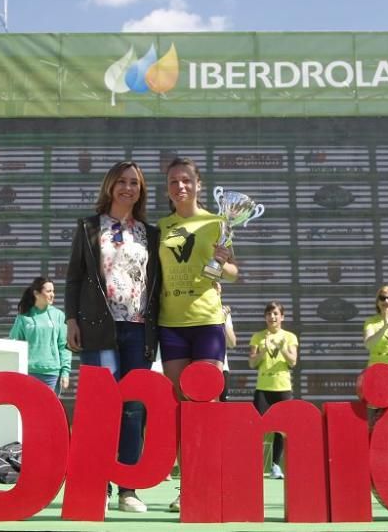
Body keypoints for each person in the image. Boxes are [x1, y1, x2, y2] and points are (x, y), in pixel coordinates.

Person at [64, 160, 160, 513]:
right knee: (102, 406)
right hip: (98, 328)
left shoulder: (151, 233)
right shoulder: (89, 227)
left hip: (139, 329)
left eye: (134, 183)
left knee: (134, 408)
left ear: (141, 190)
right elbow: (74, 277)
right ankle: (97, 484)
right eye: (121, 181)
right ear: (109, 186)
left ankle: (128, 488)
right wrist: (71, 319)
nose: (127, 188)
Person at [157, 157, 237, 511]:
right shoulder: (161, 227)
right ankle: (187, 485)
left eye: (186, 180)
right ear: (167, 188)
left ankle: (213, 479)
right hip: (171, 325)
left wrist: (220, 264)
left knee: (207, 405)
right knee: (181, 409)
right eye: (174, 181)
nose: (180, 187)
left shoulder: (217, 222)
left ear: (199, 184)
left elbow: (231, 272)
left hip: (207, 323)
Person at [249, 301, 298, 480]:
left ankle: (276, 466)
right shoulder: (258, 337)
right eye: (269, 314)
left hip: (282, 387)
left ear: (282, 317)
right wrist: (263, 351)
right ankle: (253, 465)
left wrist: (281, 348)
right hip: (263, 388)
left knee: (281, 428)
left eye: (276, 314)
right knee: (256, 427)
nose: (273, 317)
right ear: (265, 317)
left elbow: (293, 361)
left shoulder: (290, 337)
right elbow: (252, 362)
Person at [9, 277, 71, 394]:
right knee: (28, 411)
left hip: (51, 374)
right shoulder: (24, 317)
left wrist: (65, 372)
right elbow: (14, 343)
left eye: (53, 291)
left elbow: (64, 346)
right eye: (48, 291)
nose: (52, 295)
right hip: (28, 372)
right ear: (36, 293)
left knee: (49, 411)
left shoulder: (59, 316)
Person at [214, 280, 239, 402]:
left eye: (216, 290)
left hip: (221, 367)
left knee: (221, 410)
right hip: (198, 367)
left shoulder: (224, 313)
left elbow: (232, 343)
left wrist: (222, 320)